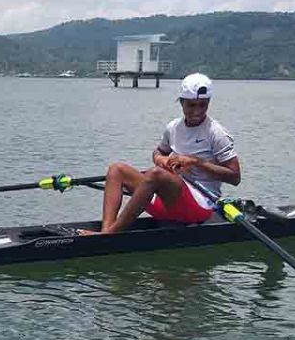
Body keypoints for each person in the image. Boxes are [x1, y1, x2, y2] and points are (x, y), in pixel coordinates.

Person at [80, 73, 240, 235]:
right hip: (169, 203)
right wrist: (161, 159)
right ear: (182, 102)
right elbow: (159, 152)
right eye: (191, 105)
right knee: (116, 170)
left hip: (201, 206)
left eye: (202, 105)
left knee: (155, 174)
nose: (197, 111)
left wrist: (196, 162)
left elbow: (235, 177)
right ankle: (106, 230)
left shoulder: (216, 133)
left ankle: (111, 235)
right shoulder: (173, 127)